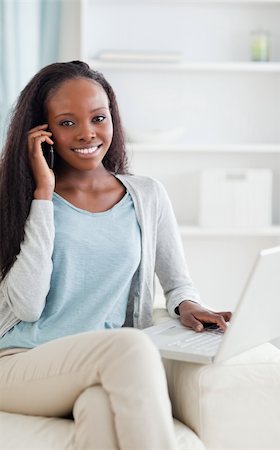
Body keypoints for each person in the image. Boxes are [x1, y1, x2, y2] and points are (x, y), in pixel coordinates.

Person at [0, 61, 231, 450]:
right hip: (21, 364)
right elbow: (26, 305)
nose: (88, 133)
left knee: (101, 409)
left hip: (99, 368)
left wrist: (188, 305)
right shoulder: (20, 201)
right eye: (68, 123)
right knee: (131, 345)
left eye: (98, 118)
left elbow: (177, 283)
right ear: (44, 132)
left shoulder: (147, 195)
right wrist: (43, 194)